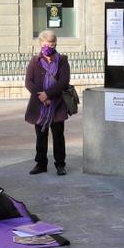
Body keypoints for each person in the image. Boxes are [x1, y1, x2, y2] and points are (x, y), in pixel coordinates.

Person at [25, 30, 71, 176]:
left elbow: (64, 81)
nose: (48, 46)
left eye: (51, 43)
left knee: (58, 135)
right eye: (46, 44)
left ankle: (60, 164)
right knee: (41, 135)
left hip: (56, 104)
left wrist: (48, 94)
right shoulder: (34, 61)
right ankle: (41, 164)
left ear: (55, 43)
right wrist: (41, 96)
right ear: (40, 44)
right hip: (39, 105)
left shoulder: (62, 60)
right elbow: (28, 82)